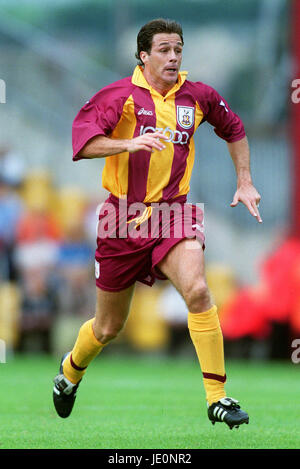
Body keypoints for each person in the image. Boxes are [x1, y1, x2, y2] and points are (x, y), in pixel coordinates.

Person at [53, 18, 261, 429]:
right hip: (121, 219)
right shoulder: (119, 96)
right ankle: (70, 373)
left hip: (174, 213)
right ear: (143, 56)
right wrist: (128, 142)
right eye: (164, 50)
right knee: (109, 327)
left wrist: (246, 181)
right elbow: (84, 140)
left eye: (178, 49)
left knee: (199, 289)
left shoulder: (198, 96)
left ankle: (217, 398)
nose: (173, 57)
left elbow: (234, 129)